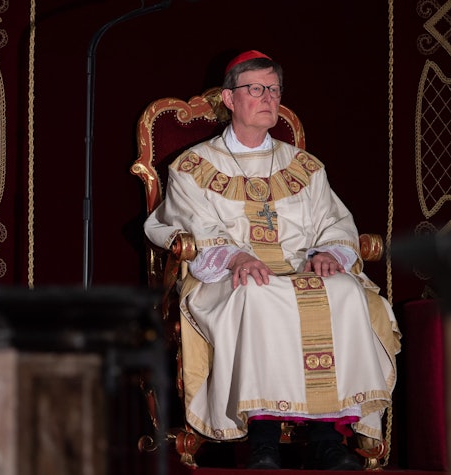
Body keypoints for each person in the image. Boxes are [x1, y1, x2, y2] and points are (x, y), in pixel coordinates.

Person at [144, 50, 401, 470]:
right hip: (226, 277)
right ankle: (263, 441)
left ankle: (326, 438)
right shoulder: (193, 166)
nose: (269, 98)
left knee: (345, 291)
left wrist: (328, 253)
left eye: (275, 90)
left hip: (299, 269)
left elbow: (335, 222)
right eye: (256, 89)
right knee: (258, 292)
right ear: (229, 99)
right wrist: (236, 256)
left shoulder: (304, 166)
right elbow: (186, 225)